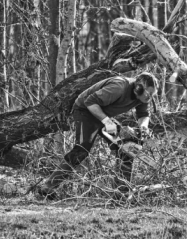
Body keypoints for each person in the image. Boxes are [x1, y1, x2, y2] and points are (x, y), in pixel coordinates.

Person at [38, 71, 159, 199]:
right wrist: (107, 122)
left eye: (152, 95)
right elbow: (89, 102)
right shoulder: (118, 87)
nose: (149, 98)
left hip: (104, 114)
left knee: (126, 148)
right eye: (148, 94)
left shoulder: (142, 97)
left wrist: (143, 129)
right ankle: (47, 187)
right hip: (85, 110)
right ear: (138, 88)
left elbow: (143, 115)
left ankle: (121, 194)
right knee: (82, 149)